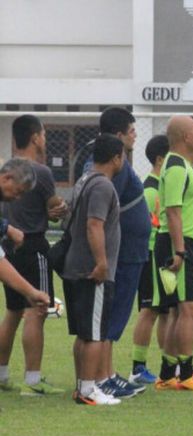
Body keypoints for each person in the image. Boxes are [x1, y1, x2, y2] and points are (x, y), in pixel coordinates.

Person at [84, 108, 152, 398]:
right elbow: (101, 211)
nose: (135, 135)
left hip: (131, 251)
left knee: (118, 314)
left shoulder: (119, 163)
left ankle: (108, 372)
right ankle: (101, 376)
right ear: (118, 134)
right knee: (110, 317)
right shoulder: (112, 167)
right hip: (120, 253)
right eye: (132, 130)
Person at [0, 115, 67, 396]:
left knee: (12, 313)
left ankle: (2, 375)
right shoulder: (41, 172)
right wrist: (59, 209)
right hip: (32, 245)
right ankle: (33, 379)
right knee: (36, 311)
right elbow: (55, 208)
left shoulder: (7, 166)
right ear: (37, 137)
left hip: (7, 249)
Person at [154, 115, 193, 392]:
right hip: (177, 244)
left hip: (186, 242)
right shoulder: (177, 165)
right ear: (185, 137)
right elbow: (173, 211)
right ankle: (186, 373)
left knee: (179, 311)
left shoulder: (183, 165)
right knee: (190, 308)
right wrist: (180, 251)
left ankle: (168, 373)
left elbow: (186, 214)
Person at [63, 134, 125, 405]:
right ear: (116, 158)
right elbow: (94, 224)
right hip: (92, 269)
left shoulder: (84, 180)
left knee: (84, 333)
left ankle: (82, 386)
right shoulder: (103, 186)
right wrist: (102, 262)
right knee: (95, 334)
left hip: (75, 266)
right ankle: (88, 390)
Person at [129, 135, 171, 385]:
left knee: (166, 311)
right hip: (151, 254)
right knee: (150, 310)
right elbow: (146, 226)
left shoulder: (163, 186)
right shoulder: (150, 189)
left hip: (163, 255)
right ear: (159, 159)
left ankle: (170, 365)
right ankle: (138, 367)